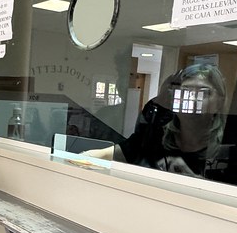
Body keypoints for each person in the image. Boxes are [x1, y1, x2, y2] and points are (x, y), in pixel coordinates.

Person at [84, 63, 228, 178]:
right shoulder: (156, 133)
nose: (192, 101)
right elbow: (117, 152)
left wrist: (191, 179)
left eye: (203, 93)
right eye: (184, 92)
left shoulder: (230, 144)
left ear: (220, 101)